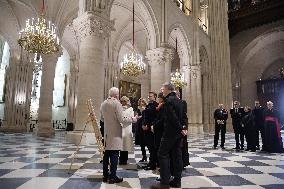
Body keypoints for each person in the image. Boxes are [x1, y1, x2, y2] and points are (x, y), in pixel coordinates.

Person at [151, 83, 187, 189]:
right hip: (178, 134)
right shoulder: (180, 101)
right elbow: (184, 117)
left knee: (162, 154)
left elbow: (172, 117)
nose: (162, 91)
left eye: (163, 89)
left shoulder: (168, 100)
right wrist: (183, 128)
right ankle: (177, 180)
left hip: (170, 133)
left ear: (168, 89)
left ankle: (165, 180)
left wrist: (180, 128)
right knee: (177, 156)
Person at [100, 87, 137, 184]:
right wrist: (133, 119)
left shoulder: (103, 103)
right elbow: (122, 119)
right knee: (114, 154)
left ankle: (105, 175)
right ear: (116, 95)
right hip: (115, 133)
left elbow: (102, 119)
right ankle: (113, 177)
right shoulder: (116, 103)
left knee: (106, 154)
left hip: (107, 132)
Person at [142, 92, 158, 170]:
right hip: (146, 129)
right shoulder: (149, 105)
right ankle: (150, 162)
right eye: (148, 96)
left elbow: (155, 117)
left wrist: (149, 125)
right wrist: (143, 124)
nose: (148, 97)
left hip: (151, 129)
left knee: (152, 147)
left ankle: (153, 164)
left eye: (150, 96)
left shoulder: (156, 105)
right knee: (149, 147)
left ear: (155, 97)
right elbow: (145, 116)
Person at [176, 90, 189, 168]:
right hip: (176, 127)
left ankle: (182, 163)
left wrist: (184, 127)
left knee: (182, 146)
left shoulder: (182, 102)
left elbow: (184, 117)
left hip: (182, 127)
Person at [119, 96, 135, 165]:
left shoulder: (131, 109)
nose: (124, 102)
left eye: (125, 101)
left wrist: (124, 119)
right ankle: (120, 159)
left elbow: (131, 119)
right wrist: (124, 119)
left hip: (127, 128)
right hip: (120, 128)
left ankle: (124, 160)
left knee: (126, 145)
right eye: (123, 101)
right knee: (120, 145)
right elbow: (118, 118)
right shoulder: (119, 108)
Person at [135, 98, 148, 162]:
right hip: (139, 125)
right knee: (141, 143)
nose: (141, 103)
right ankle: (144, 156)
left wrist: (141, 116)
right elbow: (137, 115)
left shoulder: (146, 108)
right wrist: (137, 116)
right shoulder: (138, 108)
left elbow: (146, 116)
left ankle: (151, 158)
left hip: (144, 124)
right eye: (140, 101)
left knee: (147, 142)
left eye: (142, 101)